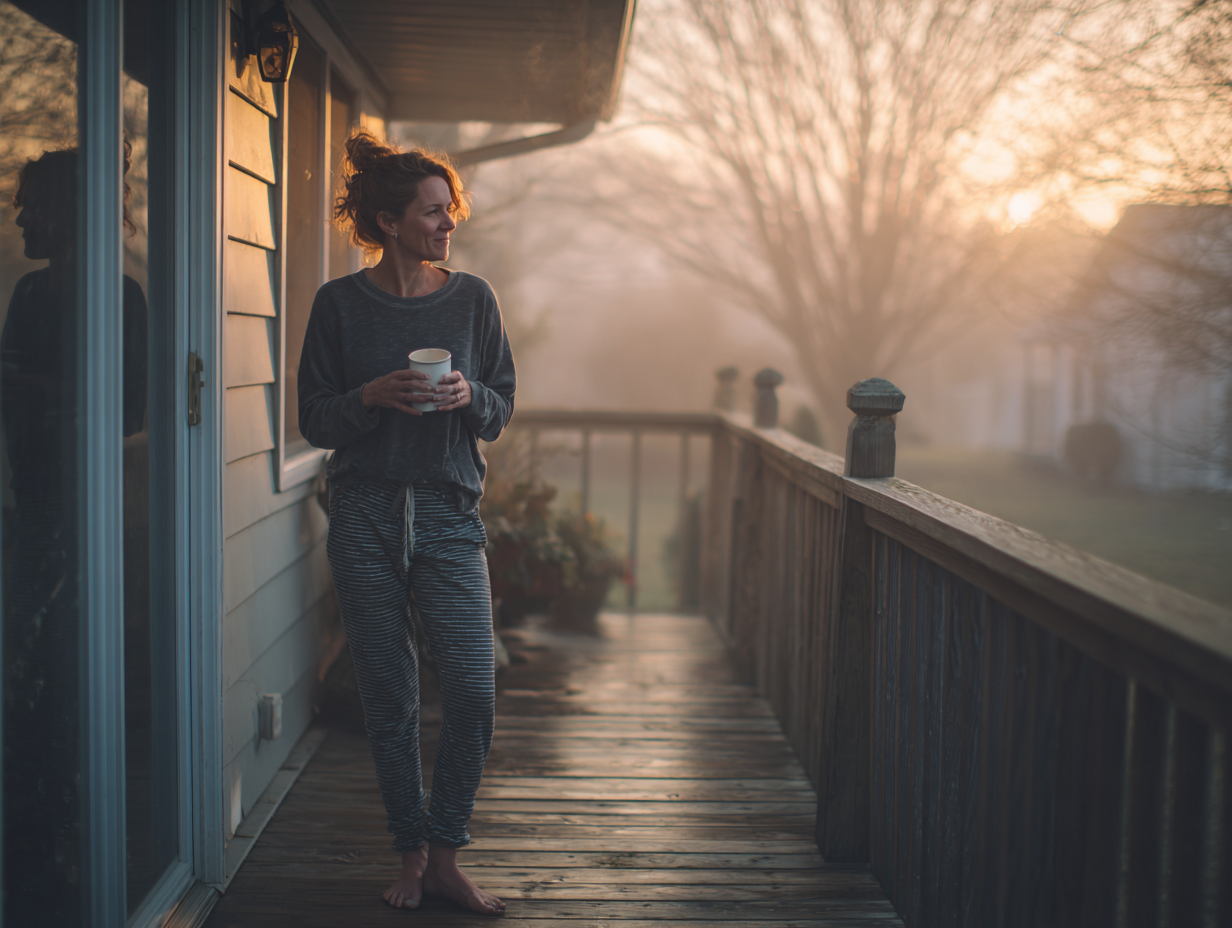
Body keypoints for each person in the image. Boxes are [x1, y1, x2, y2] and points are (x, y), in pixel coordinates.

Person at [298, 129, 515, 916]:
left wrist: (469, 397)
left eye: (449, 209)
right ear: (388, 223)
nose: (448, 222)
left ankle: (448, 851)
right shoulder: (338, 306)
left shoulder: (473, 299)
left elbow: (501, 405)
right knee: (388, 696)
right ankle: (412, 853)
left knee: (472, 690)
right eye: (431, 212)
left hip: (449, 512)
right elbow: (314, 418)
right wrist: (368, 398)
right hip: (363, 513)